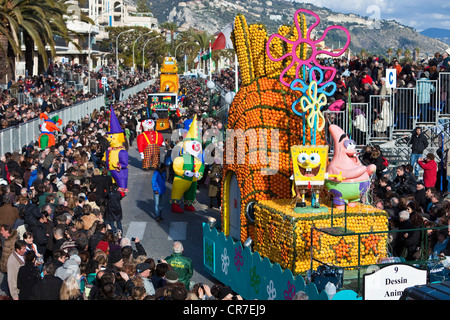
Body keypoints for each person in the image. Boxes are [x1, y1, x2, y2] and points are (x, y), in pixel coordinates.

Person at [0, 224, 19, 296]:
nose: (1, 232)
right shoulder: (7, 239)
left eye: (2, 230)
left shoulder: (13, 242)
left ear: (7, 231)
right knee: (4, 287)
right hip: (6, 268)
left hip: (10, 269)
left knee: (8, 289)